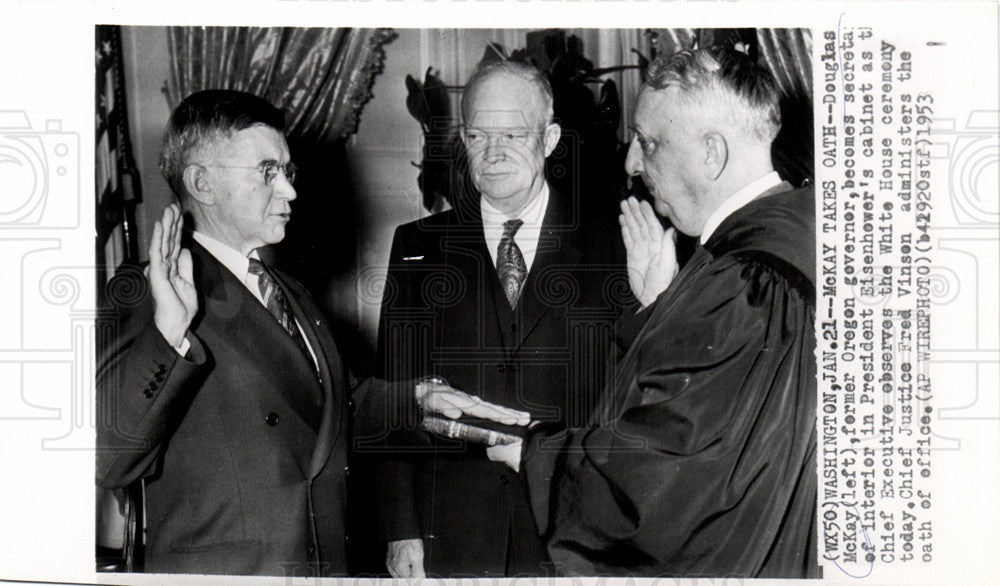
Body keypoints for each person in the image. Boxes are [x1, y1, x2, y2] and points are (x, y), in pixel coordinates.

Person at [433, 46, 819, 578]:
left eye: (649, 142)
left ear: (712, 153)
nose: (632, 163)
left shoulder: (744, 283)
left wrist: (536, 453)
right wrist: (661, 307)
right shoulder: (800, 237)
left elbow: (664, 480)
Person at [360, 61, 630, 578]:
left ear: (549, 139)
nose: (494, 151)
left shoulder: (614, 241)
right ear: (463, 137)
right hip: (453, 531)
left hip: (576, 528)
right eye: (479, 134)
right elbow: (394, 396)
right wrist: (400, 528)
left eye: (513, 134)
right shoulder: (418, 246)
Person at [96, 90, 352, 577]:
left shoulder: (290, 292)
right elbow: (109, 457)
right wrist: (170, 330)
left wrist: (418, 397)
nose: (290, 192)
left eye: (287, 172)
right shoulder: (148, 289)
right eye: (267, 172)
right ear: (202, 183)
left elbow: (328, 409)